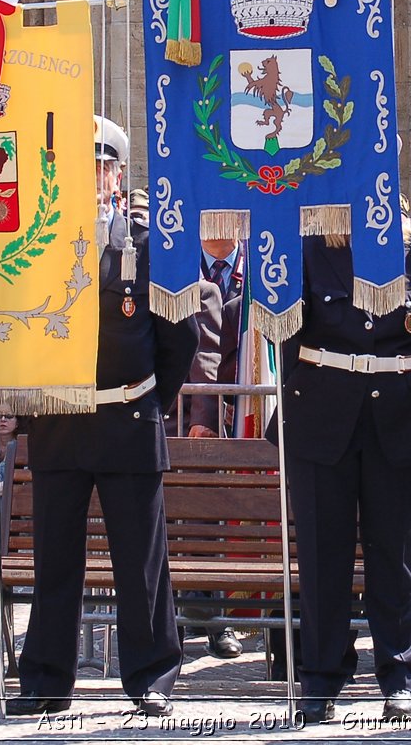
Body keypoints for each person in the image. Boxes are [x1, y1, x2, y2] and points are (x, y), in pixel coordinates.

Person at [8, 115, 199, 718]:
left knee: (139, 561)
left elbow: (182, 337)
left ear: (118, 176)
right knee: (55, 560)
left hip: (127, 419)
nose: (92, 178)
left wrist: (148, 399)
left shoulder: (146, 244)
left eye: (102, 167)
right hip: (61, 420)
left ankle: (150, 677)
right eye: (81, 167)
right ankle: (45, 678)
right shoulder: (40, 243)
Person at [277, 226, 411, 724]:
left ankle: (400, 674)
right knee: (321, 557)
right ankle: (320, 676)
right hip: (322, 417)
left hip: (398, 422)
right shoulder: (309, 245)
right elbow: (287, 336)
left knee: (395, 558)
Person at [175, 239, 245, 659]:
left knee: (220, 519)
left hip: (244, 410)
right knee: (184, 522)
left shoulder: (259, 267)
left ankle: (221, 617)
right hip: (181, 411)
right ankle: (189, 617)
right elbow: (197, 352)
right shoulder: (177, 262)